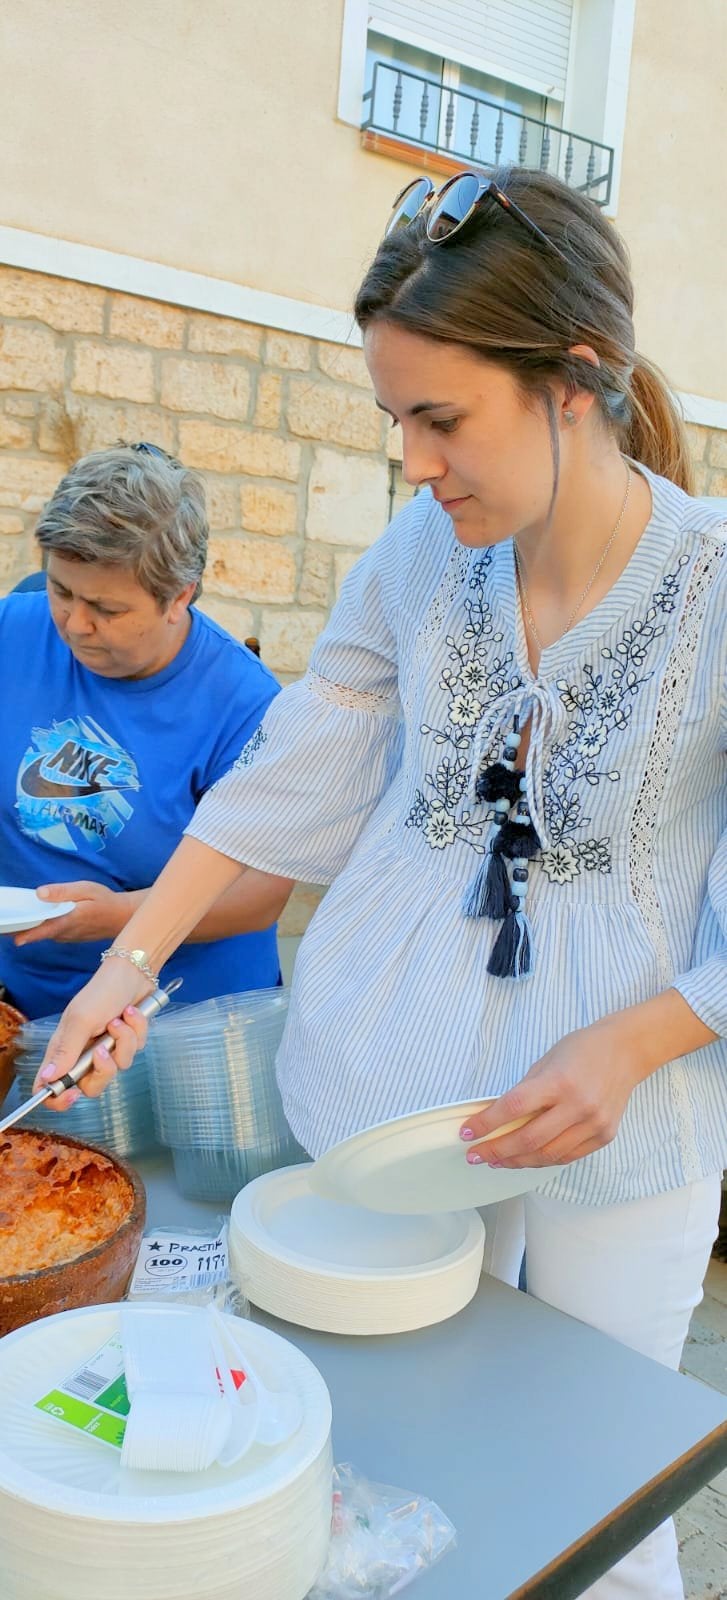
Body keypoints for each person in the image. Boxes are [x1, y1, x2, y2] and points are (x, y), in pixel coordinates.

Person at [36, 170, 727, 1598]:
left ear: (572, 383)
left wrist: (631, 1037)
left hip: (628, 1112)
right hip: (396, 1080)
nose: (411, 460)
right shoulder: (418, 560)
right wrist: (130, 959)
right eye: (391, 419)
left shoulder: (713, 591)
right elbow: (296, 776)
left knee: (605, 1499)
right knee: (395, 1456)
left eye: (440, 417)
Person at [1, 442, 292, 1018]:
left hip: (179, 1021)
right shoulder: (12, 629)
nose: (74, 624)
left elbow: (259, 896)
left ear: (178, 597)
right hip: (21, 1004)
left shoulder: (247, 704)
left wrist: (116, 916)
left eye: (106, 610)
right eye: (61, 591)